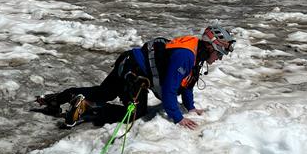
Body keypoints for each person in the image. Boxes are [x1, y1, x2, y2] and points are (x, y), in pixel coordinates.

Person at [36, 25, 236, 130]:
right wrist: (178, 118)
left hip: (130, 60)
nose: (219, 58)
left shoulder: (196, 51)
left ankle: (54, 99)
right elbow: (169, 90)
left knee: (103, 92)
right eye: (219, 54)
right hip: (135, 71)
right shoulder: (187, 55)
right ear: (211, 45)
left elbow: (187, 84)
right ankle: (87, 106)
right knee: (133, 113)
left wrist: (190, 106)